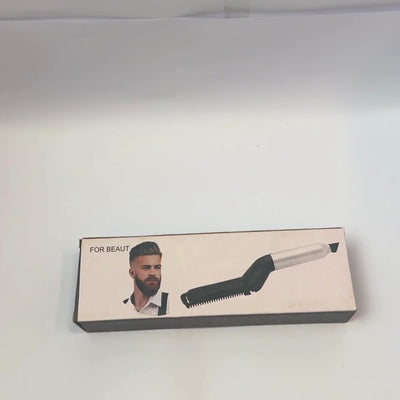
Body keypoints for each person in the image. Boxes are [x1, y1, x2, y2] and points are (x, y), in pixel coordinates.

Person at [123, 241, 169, 316]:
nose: (153, 273)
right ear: (132, 273)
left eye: (157, 267)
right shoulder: (124, 306)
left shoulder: (170, 303)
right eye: (146, 268)